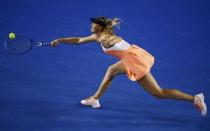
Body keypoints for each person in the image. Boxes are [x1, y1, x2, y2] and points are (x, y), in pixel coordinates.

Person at [51, 16, 207, 116]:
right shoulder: (97, 36)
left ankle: (95, 99)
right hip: (134, 56)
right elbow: (78, 40)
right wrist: (60, 40)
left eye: (94, 24)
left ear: (101, 27)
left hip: (132, 59)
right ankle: (195, 98)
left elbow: (108, 40)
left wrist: (108, 41)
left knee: (111, 70)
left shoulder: (104, 37)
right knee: (158, 93)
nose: (91, 25)